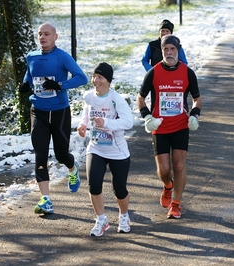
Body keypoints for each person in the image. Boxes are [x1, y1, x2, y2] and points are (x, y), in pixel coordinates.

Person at [18, 23, 88, 214]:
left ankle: (72, 169)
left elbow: (82, 78)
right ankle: (46, 199)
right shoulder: (31, 56)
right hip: (38, 111)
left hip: (59, 112)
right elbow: (29, 76)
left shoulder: (62, 57)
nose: (42, 37)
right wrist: (25, 84)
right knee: (40, 154)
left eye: (46, 34)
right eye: (40, 34)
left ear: (55, 37)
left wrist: (59, 85)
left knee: (61, 154)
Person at [136, 34, 202, 219]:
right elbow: (140, 98)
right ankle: (168, 186)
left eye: (173, 49)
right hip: (160, 127)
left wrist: (195, 115)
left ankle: (176, 204)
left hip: (181, 125)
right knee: (164, 171)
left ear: (178, 50)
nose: (169, 52)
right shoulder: (154, 72)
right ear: (162, 51)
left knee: (179, 165)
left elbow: (197, 99)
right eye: (166, 49)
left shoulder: (188, 72)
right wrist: (147, 116)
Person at [77, 62, 133, 236]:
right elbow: (87, 112)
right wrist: (82, 124)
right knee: (94, 185)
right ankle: (101, 220)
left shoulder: (116, 100)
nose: (96, 80)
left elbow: (128, 122)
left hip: (117, 151)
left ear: (108, 80)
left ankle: (124, 216)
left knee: (119, 189)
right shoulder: (90, 97)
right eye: (94, 76)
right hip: (96, 148)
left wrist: (107, 123)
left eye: (100, 77)